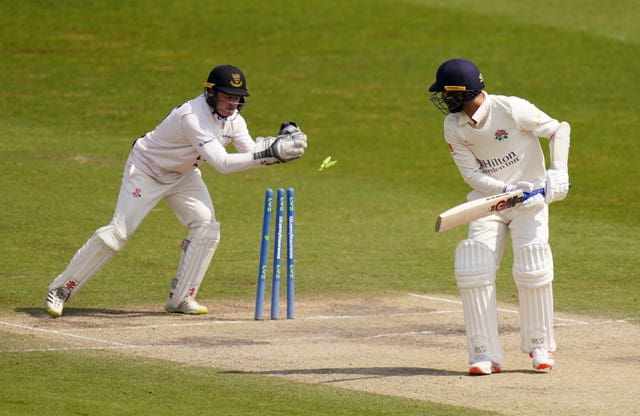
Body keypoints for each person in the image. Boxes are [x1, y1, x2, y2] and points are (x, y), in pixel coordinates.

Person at [45, 64, 308, 317]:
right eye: (226, 96)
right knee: (118, 234)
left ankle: (181, 297)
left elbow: (250, 152)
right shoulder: (192, 117)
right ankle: (60, 289)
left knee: (206, 226)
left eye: (238, 98)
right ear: (211, 93)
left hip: (183, 175)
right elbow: (223, 164)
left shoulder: (234, 120)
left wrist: (277, 148)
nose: (232, 104)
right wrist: (270, 153)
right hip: (147, 171)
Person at [428, 58, 570, 375]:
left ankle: (540, 346)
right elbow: (471, 175)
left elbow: (559, 130)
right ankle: (483, 354)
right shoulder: (453, 126)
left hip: (530, 200)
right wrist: (506, 189)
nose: (442, 99)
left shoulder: (510, 108)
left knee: (532, 266)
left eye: (445, 93)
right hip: (489, 201)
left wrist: (558, 173)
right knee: (473, 267)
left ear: (459, 93)